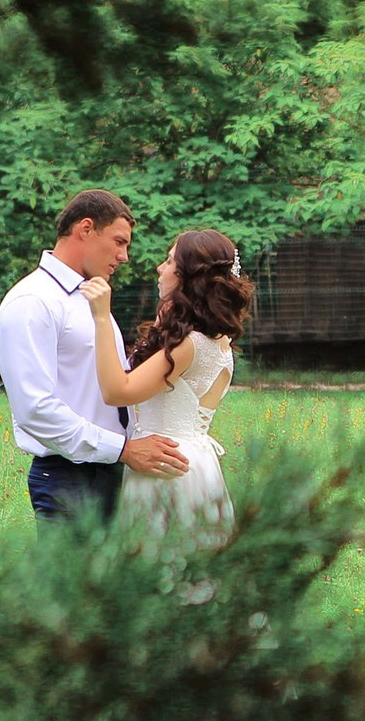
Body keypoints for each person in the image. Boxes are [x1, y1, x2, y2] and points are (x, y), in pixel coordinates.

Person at [0, 189, 190, 523]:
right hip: (70, 479)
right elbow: (35, 409)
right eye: (119, 242)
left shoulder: (92, 298)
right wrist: (124, 450)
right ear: (85, 229)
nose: (124, 256)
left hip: (115, 471)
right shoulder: (32, 302)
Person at [77, 227, 249, 540]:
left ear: (188, 276)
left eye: (169, 261)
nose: (160, 268)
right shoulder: (217, 338)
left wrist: (101, 317)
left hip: (164, 464)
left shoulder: (189, 345)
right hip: (197, 462)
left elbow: (118, 391)